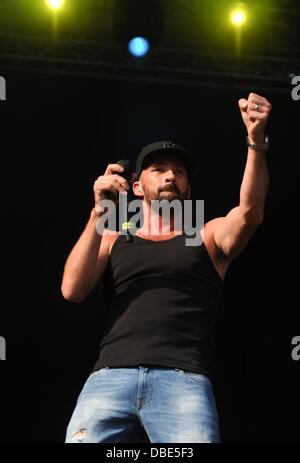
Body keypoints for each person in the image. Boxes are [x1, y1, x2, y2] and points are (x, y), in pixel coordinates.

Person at [62, 92, 271, 443]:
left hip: (183, 379)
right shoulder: (113, 237)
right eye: (159, 169)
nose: (171, 176)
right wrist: (99, 212)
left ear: (188, 190)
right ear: (137, 187)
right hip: (110, 377)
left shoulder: (206, 236)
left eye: (179, 172)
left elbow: (250, 213)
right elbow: (72, 289)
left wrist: (256, 142)